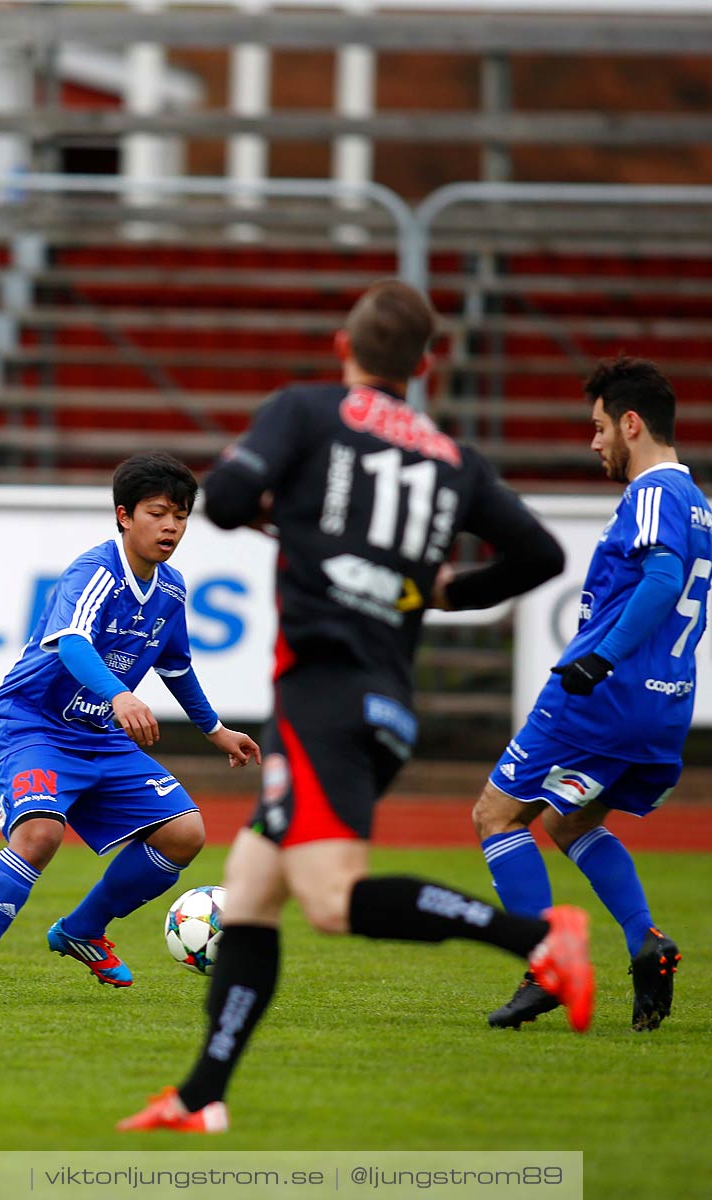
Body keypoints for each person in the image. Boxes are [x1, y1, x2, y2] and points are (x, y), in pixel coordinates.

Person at [119, 281, 584, 1135]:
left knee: (331, 900)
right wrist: (443, 589)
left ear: (345, 346)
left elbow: (221, 502)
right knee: (254, 890)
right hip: (387, 702)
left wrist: (278, 507)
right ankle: (201, 1095)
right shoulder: (451, 457)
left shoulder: (305, 410)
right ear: (427, 365)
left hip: (321, 692)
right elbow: (541, 553)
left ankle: (539, 940)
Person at [0, 452, 262, 1009]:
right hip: (32, 721)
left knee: (184, 834)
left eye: (181, 516)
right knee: (38, 836)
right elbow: (72, 642)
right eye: (158, 513)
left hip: (97, 734)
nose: (171, 527)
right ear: (123, 516)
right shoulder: (96, 571)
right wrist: (120, 694)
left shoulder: (172, 589)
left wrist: (215, 730)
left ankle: (82, 929)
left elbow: (176, 665)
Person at [473, 357, 709, 1033]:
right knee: (569, 821)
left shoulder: (654, 493)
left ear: (631, 424)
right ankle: (645, 940)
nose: (594, 441)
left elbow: (662, 581)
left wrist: (598, 659)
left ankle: (548, 964)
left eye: (600, 426)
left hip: (600, 696)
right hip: (662, 704)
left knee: (495, 816)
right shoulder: (697, 503)